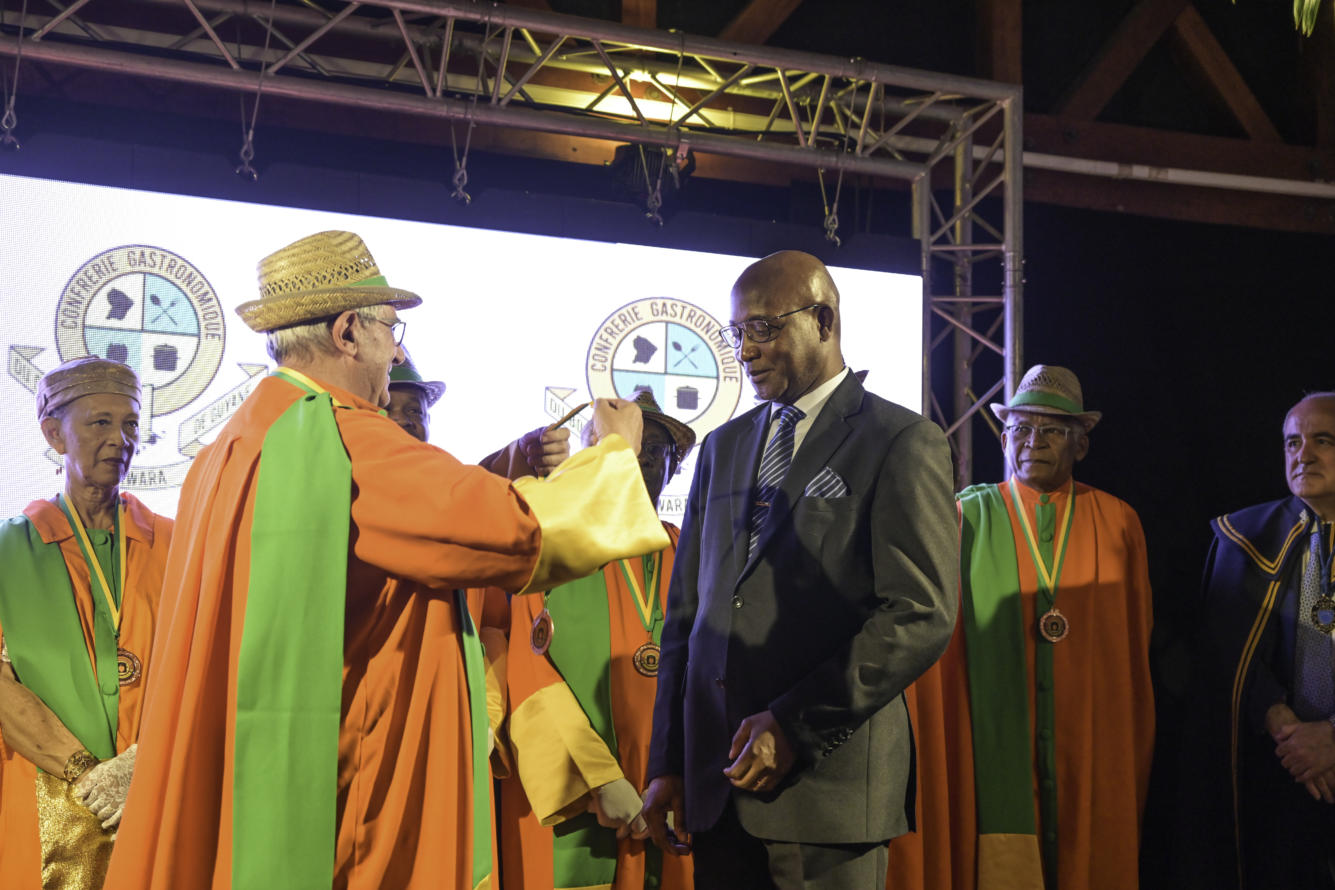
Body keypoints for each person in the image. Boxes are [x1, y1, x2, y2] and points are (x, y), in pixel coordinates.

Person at [101, 229, 669, 890]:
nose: (397, 351)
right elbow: (518, 532)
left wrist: (509, 462)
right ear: (348, 332)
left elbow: (414, 517)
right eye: (391, 330)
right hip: (347, 783)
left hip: (251, 767)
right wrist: (614, 456)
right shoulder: (342, 440)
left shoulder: (236, 443)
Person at [642, 250, 958, 890]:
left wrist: (795, 723)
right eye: (738, 332)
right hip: (716, 793)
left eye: (763, 328)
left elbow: (920, 612)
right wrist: (669, 760)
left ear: (823, 320)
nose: (745, 350)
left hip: (825, 797)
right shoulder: (724, 446)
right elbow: (686, 616)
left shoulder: (900, 440)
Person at [886, 364, 1154, 890]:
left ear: (1080, 445)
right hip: (989, 734)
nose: (1033, 442)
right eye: (1020, 429)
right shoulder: (965, 517)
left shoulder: (1118, 522)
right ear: (1005, 439)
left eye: (1052, 430)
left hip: (1086, 733)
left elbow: (1131, 650)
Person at [500, 388, 696, 890]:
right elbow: (525, 671)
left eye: (657, 450)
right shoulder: (555, 550)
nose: (642, 458)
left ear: (674, 469)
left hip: (676, 792)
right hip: (582, 804)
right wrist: (598, 778)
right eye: (633, 444)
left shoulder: (695, 557)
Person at [0, 357, 173, 889]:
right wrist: (88, 774)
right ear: (54, 434)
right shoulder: (8, 552)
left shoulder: (178, 543)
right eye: (100, 422)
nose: (120, 439)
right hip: (47, 799)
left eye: (130, 424)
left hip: (159, 787)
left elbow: (214, 661)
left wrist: (141, 763)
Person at [1185, 392, 1335, 889]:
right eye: (1292, 442)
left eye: (1322, 441)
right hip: (1280, 768)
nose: (1303, 455)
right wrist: (1288, 731)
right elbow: (1225, 652)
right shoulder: (1246, 539)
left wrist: (1332, 738)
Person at [386, 348, 571, 478]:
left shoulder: (442, 480)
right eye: (386, 408)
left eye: (414, 411)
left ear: (429, 421)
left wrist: (526, 455)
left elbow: (477, 489)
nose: (401, 419)